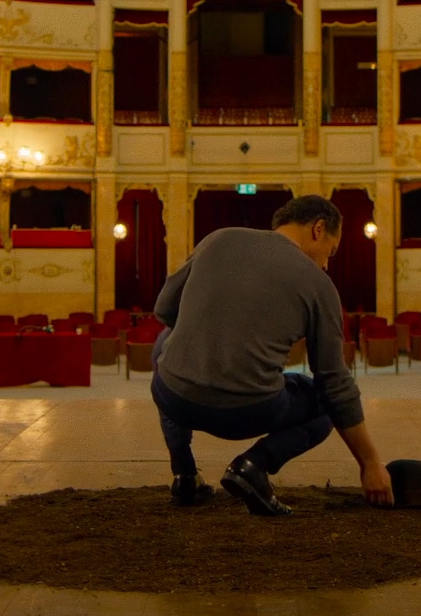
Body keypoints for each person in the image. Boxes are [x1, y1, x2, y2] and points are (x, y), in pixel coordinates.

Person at [148, 195, 393, 515]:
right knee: (321, 403)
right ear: (318, 229)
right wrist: (370, 463)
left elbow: (164, 309)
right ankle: (252, 466)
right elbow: (334, 382)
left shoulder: (219, 238)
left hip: (174, 398)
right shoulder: (319, 284)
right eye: (330, 252)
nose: (326, 263)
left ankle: (184, 473)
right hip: (249, 410)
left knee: (165, 344)